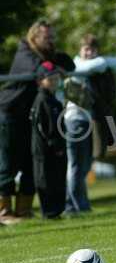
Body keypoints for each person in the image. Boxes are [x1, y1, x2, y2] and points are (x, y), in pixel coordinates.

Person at [0, 19, 74, 225]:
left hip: (28, 117)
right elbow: (39, 68)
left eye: (52, 37)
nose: (50, 40)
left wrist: (55, 64)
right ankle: (4, 212)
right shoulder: (24, 51)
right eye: (46, 37)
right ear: (34, 37)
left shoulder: (48, 54)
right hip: (10, 115)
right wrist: (53, 66)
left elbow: (69, 63)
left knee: (31, 164)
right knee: (8, 164)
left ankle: (23, 211)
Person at [64, 34, 116, 215]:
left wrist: (101, 60)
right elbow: (94, 65)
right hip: (75, 120)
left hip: (89, 120)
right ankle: (74, 206)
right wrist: (100, 61)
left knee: (86, 165)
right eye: (86, 49)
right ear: (80, 50)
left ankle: (78, 205)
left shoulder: (96, 65)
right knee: (75, 165)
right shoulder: (75, 66)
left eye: (93, 49)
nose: (89, 53)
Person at [30, 62, 66, 219]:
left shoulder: (53, 100)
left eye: (56, 79)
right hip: (45, 150)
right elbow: (43, 127)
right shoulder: (42, 100)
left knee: (58, 178)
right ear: (40, 81)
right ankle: (49, 212)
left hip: (57, 148)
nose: (54, 82)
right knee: (46, 179)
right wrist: (53, 144)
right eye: (49, 79)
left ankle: (57, 211)